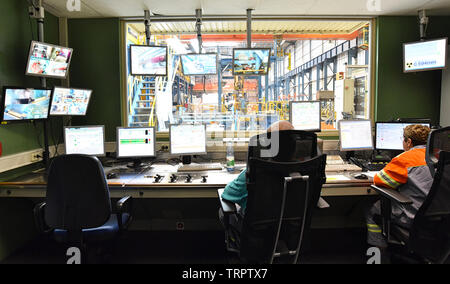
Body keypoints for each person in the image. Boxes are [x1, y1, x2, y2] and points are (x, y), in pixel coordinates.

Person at [218, 121, 296, 249]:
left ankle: (244, 248)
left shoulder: (255, 171)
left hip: (256, 230)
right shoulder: (306, 169)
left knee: (223, 211)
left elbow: (227, 194)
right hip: (288, 231)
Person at [365, 124, 433, 251]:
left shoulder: (406, 159)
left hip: (413, 216)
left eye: (403, 139)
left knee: (371, 209)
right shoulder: (440, 157)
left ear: (409, 142)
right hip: (439, 219)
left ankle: (380, 253)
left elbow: (379, 180)